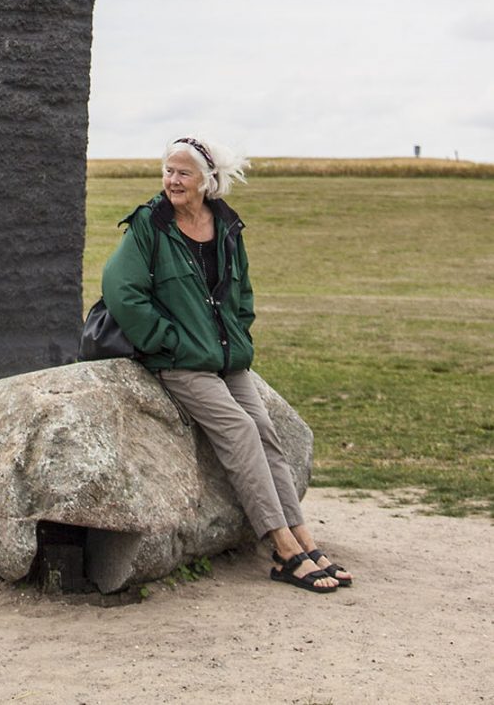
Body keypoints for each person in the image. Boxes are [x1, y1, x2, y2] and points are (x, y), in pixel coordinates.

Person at [101, 135, 353, 593]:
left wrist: (236, 336)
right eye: (168, 171)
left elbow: (242, 296)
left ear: (208, 180)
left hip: (226, 359)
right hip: (181, 363)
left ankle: (303, 537)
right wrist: (170, 342)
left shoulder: (226, 227)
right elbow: (121, 291)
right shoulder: (149, 226)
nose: (172, 181)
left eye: (183, 173)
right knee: (238, 430)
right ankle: (282, 547)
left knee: (265, 433)